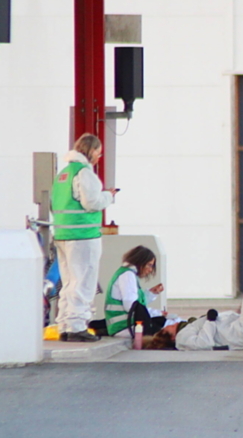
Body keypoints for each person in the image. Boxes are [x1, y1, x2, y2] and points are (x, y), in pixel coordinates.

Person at [52, 133, 118, 342]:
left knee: (69, 282)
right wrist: (109, 196)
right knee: (83, 282)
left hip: (63, 234)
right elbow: (91, 202)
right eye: (98, 152)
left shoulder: (63, 174)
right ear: (90, 151)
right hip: (83, 236)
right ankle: (77, 326)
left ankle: (64, 325)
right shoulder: (84, 173)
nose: (99, 156)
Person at [104, 245, 173, 337]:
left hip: (123, 326)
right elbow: (132, 307)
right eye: (149, 265)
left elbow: (135, 304)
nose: (150, 270)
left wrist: (151, 294)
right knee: (169, 329)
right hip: (125, 327)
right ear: (141, 262)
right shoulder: (128, 275)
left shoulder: (126, 274)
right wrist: (156, 313)